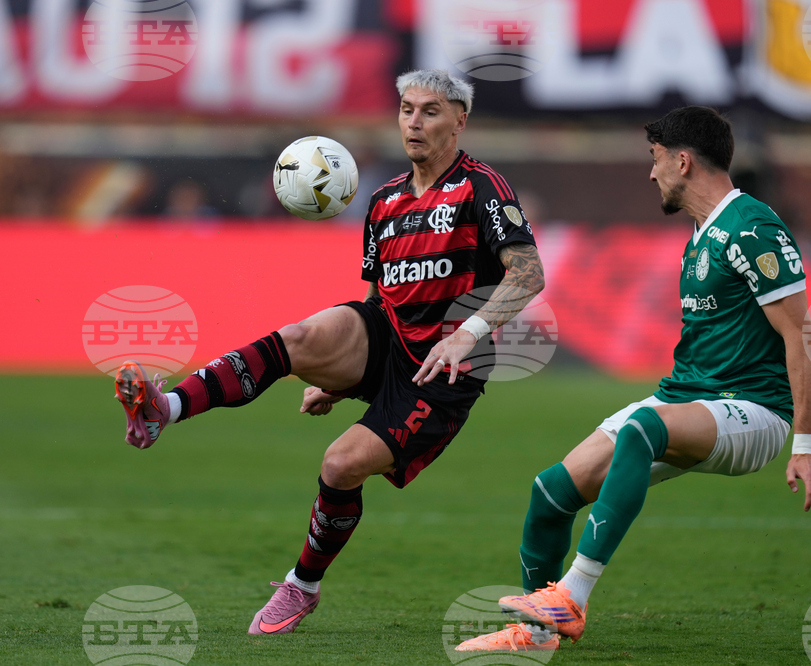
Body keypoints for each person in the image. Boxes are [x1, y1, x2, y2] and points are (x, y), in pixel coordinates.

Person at [114, 69, 544, 636]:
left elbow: (529, 273)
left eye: (431, 111)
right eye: (407, 109)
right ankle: (162, 410)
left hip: (446, 371)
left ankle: (302, 586)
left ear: (460, 121)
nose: (414, 122)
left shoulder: (480, 187)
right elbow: (377, 298)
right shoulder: (385, 200)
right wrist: (341, 375)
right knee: (299, 339)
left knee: (339, 466)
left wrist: (467, 334)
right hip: (388, 337)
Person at [456, 106, 811, 653]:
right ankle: (539, 636)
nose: (650, 173)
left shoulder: (752, 228)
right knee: (550, 492)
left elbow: (800, 336)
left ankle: (573, 597)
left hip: (755, 410)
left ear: (683, 161)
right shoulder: (704, 232)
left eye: (655, 161)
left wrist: (804, 444)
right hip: (687, 397)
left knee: (643, 429)